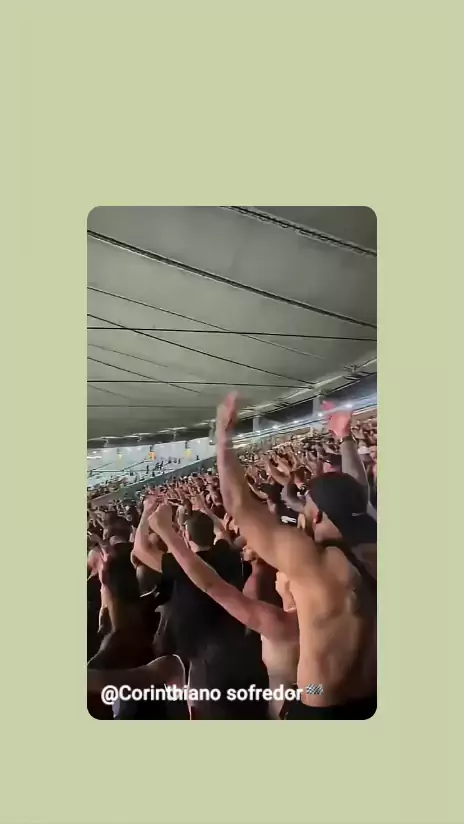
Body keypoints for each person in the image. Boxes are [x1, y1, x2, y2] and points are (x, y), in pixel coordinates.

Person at [215, 393, 377, 720]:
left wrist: (223, 439)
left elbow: (239, 505)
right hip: (374, 699)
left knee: (291, 693)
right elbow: (356, 493)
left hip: (321, 704)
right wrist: (344, 438)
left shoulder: (316, 563)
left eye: (308, 506)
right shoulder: (375, 542)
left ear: (316, 515)